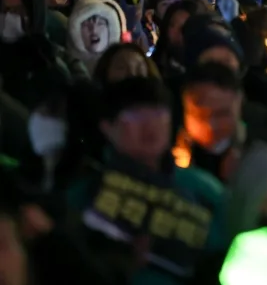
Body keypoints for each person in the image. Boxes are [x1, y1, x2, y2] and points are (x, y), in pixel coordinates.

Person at [65, 77, 227, 285]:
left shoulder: (203, 189)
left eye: (159, 114)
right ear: (107, 127)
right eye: (134, 116)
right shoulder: (84, 195)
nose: (150, 125)